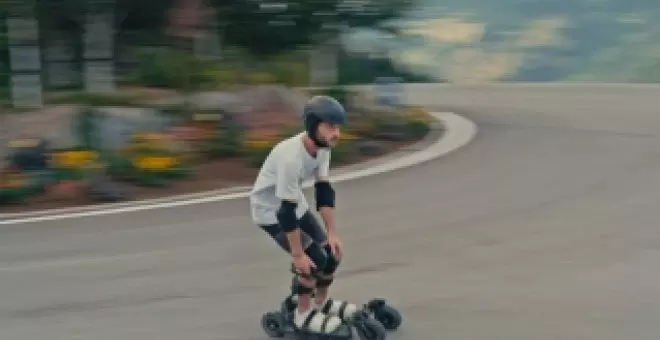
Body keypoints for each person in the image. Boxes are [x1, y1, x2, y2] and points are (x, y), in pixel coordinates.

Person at [249, 95, 359, 335]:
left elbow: (324, 193)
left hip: (293, 204)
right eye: (330, 126)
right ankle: (302, 314)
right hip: (270, 212)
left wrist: (332, 233)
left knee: (330, 255)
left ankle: (319, 304)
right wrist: (298, 254)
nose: (336, 133)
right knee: (309, 264)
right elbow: (284, 212)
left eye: (337, 127)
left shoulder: (322, 148)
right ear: (313, 125)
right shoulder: (290, 158)